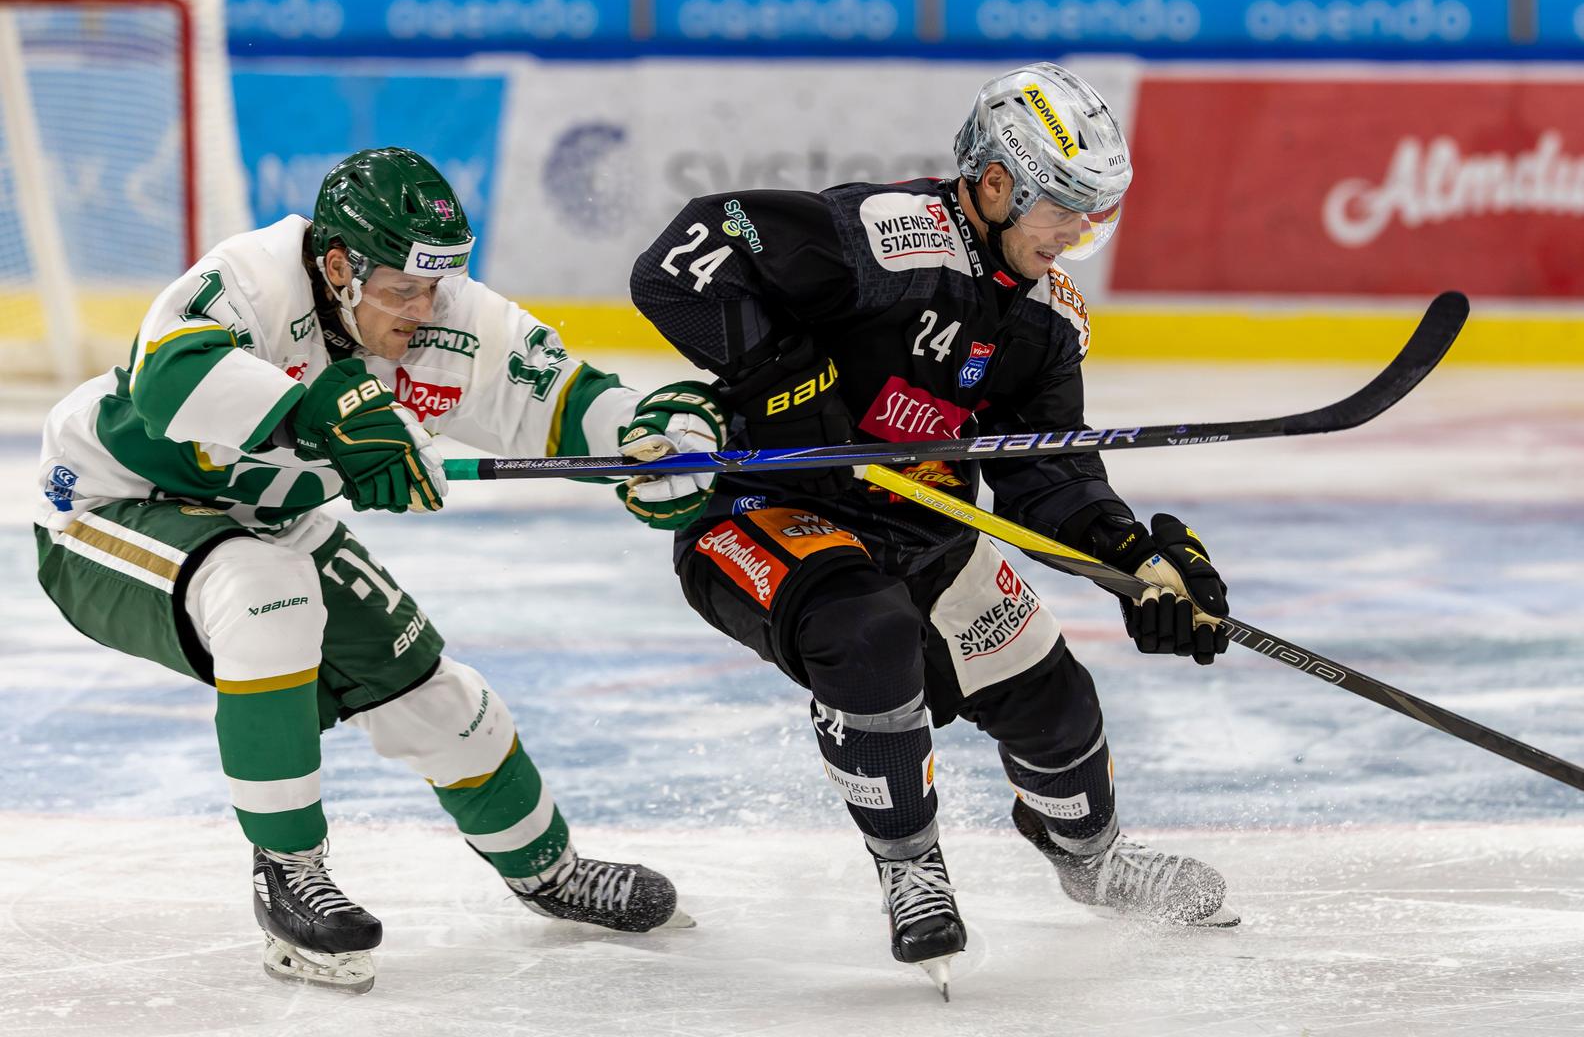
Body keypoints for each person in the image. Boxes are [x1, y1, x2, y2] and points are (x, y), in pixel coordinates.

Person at [32, 148, 724, 994]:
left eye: (435, 286)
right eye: (402, 290)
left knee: (442, 702)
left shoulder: (450, 319)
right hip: (110, 506)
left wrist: (652, 439)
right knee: (268, 594)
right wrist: (321, 410)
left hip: (269, 518)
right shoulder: (252, 276)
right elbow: (166, 379)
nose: (423, 311)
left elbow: (568, 404)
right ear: (338, 267)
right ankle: (287, 869)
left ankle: (548, 871)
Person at [628, 63, 1237, 997]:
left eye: (1094, 216)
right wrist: (783, 380)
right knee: (868, 633)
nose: (1077, 236)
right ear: (994, 184)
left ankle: (1095, 860)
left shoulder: (1046, 320)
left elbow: (1045, 469)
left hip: (924, 527)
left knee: (1054, 704)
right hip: (767, 512)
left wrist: (1135, 561)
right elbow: (680, 261)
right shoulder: (888, 238)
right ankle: (911, 866)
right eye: (1063, 209)